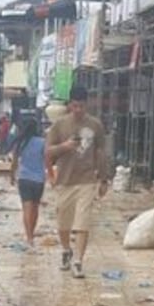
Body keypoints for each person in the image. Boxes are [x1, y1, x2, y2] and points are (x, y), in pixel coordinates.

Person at [45, 85, 110, 279]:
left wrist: (104, 178)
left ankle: (79, 261)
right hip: (65, 180)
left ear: (86, 104)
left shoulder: (95, 125)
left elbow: (100, 152)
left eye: (82, 106)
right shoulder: (59, 125)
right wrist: (64, 147)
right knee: (63, 223)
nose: (78, 110)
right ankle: (66, 250)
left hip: (87, 180)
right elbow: (48, 152)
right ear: (69, 105)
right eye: (75, 106)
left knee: (83, 222)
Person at [9, 116, 46, 248]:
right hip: (39, 179)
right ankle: (32, 233)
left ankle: (29, 236)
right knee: (35, 208)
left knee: (26, 208)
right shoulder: (42, 142)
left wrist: (12, 175)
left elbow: (14, 162)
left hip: (24, 178)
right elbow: (46, 160)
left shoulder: (20, 142)